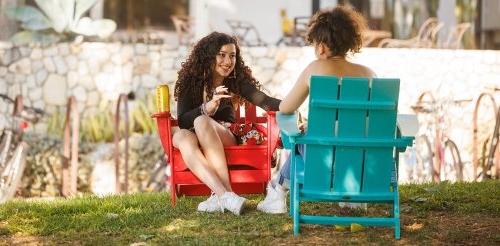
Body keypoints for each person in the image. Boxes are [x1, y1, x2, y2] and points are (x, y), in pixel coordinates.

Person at [257, 6, 375, 214]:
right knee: (319, 135)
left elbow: (286, 108)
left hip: (320, 160)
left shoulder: (315, 69)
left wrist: (312, 126)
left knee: (301, 138)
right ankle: (351, 198)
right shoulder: (369, 74)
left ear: (321, 47)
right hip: (361, 162)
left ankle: (276, 190)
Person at [173, 32, 281, 215]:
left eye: (232, 56)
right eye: (221, 55)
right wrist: (207, 107)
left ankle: (223, 194)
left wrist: (291, 105)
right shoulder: (189, 81)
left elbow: (265, 101)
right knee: (181, 136)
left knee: (202, 121)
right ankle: (225, 195)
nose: (228, 61)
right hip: (193, 135)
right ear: (208, 56)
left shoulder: (235, 81)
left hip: (225, 135)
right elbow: (182, 121)